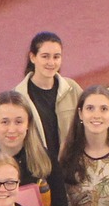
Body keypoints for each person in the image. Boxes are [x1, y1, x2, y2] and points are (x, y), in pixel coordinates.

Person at [20, 31, 82, 173]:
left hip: (71, 170)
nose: (51, 63)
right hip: (38, 172)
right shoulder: (19, 96)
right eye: (45, 56)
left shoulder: (72, 89)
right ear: (32, 57)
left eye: (56, 57)